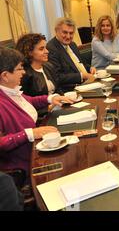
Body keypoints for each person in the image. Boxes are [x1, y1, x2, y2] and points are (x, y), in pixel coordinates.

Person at [0, 48, 72, 178]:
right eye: (19, 68)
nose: (23, 72)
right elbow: (2, 143)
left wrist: (50, 98)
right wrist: (30, 133)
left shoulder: (9, 91)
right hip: (25, 165)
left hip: (37, 150)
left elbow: (28, 101)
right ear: (5, 75)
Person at [47, 18, 96, 92]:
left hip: (86, 83)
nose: (68, 36)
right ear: (56, 31)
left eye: (71, 33)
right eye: (65, 32)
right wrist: (82, 75)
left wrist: (90, 68)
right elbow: (58, 77)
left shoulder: (72, 44)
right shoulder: (51, 48)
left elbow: (80, 64)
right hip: (70, 90)